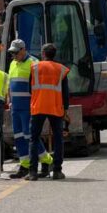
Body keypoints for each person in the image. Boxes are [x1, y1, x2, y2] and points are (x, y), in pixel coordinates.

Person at [6, 39, 53, 179]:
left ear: (23, 50)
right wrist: (9, 100)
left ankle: (47, 160)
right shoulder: (12, 64)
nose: (14, 55)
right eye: (12, 53)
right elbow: (10, 83)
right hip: (16, 107)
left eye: (16, 52)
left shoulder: (34, 63)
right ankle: (24, 165)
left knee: (29, 136)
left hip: (28, 106)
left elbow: (40, 86)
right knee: (19, 137)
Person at [27, 43, 70, 181]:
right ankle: (57, 170)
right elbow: (65, 92)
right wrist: (66, 109)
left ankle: (33, 172)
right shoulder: (60, 69)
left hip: (38, 106)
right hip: (55, 107)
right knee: (58, 138)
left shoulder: (34, 67)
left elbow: (29, 89)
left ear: (43, 54)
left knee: (34, 138)